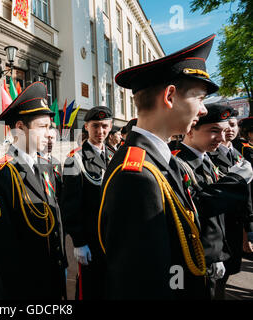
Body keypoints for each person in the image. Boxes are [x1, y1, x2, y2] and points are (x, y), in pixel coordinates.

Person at [98, 34, 222, 300]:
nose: (202, 111)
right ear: (170, 96)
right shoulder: (138, 175)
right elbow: (141, 284)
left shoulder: (161, 160)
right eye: (199, 98)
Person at [0, 82, 67, 300]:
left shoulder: (46, 166)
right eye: (43, 127)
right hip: (25, 291)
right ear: (20, 127)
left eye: (50, 126)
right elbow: (4, 249)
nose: (50, 134)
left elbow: (55, 221)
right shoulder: (2, 174)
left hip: (52, 281)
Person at [173, 103, 253, 299]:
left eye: (224, 131)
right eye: (214, 131)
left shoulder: (206, 159)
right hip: (195, 257)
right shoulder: (177, 162)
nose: (222, 137)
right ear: (191, 129)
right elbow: (195, 209)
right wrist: (234, 181)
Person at [61, 106, 112, 300]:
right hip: (90, 240)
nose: (100, 131)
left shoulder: (114, 155)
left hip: (111, 238)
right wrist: (79, 242)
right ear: (86, 127)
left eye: (105, 126)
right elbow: (70, 205)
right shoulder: (74, 159)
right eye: (96, 126)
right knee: (90, 290)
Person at [207, 107, 253, 299]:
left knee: (230, 270)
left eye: (233, 125)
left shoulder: (239, 154)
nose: (230, 130)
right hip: (219, 224)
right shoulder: (209, 154)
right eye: (227, 126)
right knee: (216, 278)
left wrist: (248, 228)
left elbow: (247, 195)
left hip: (236, 224)